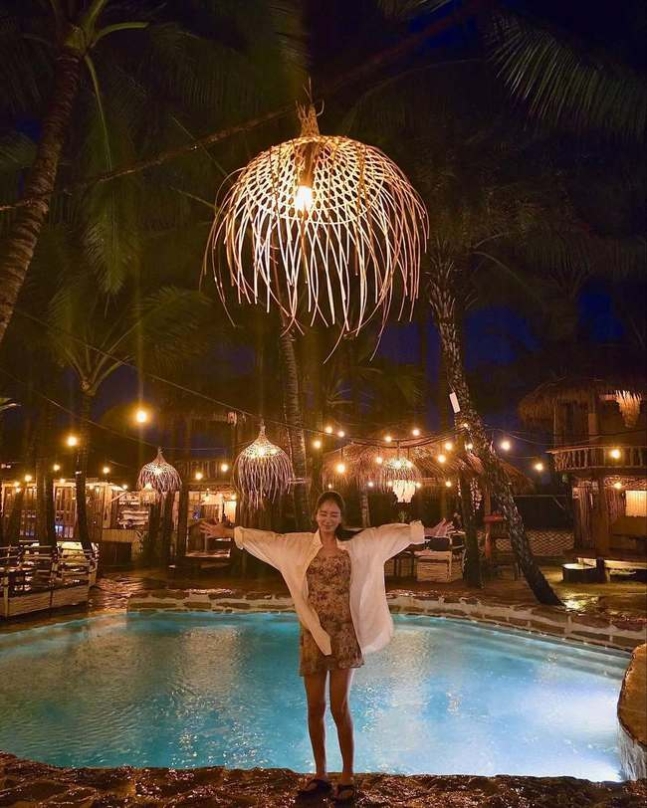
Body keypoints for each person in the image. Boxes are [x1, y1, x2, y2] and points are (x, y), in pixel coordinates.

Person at [200, 491, 446, 803]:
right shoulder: (301, 545)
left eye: (334, 514)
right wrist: (230, 532)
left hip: (344, 634)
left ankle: (347, 776)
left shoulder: (354, 544)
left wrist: (426, 532)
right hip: (314, 634)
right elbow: (270, 540)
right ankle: (320, 774)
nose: (328, 519)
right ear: (315, 515)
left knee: (339, 708)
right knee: (315, 707)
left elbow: (386, 535)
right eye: (323, 513)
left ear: (341, 518)